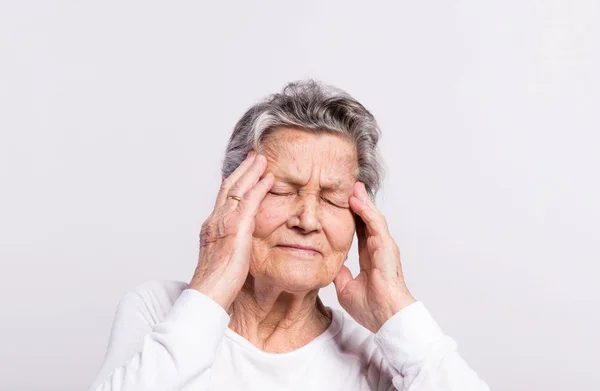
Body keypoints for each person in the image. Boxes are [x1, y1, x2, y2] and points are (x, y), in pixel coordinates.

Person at [88, 80, 491, 391]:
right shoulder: (161, 310)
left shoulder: (377, 355)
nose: (308, 219)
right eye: (282, 191)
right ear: (235, 198)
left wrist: (397, 315)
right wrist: (210, 287)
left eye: (333, 199)